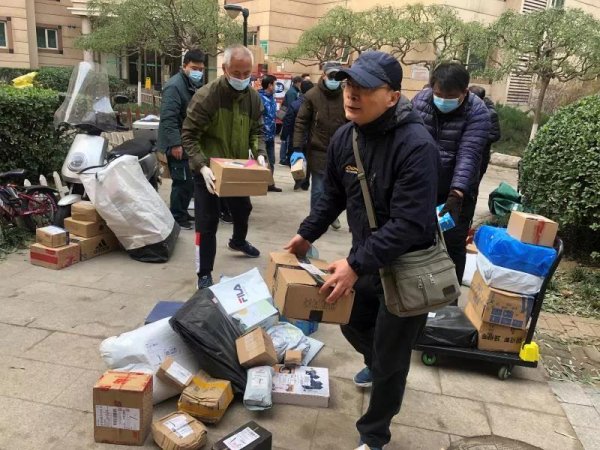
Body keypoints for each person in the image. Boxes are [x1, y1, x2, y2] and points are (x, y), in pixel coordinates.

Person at [285, 51, 439, 450]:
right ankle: (384, 366)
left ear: (392, 97)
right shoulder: (346, 137)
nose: (352, 94)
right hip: (367, 258)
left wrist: (354, 264)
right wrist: (306, 235)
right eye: (349, 85)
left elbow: (409, 224)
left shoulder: (416, 145)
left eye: (365, 88)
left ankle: (374, 435)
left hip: (408, 266)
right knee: (348, 316)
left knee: (391, 352)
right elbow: (333, 196)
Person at [181, 45, 268, 289]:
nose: (242, 78)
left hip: (236, 168)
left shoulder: (253, 98)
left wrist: (260, 154)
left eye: (246, 73)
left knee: (243, 209)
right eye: (236, 73)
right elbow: (189, 135)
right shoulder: (207, 97)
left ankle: (238, 241)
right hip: (209, 171)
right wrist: (201, 166)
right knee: (206, 223)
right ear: (225, 69)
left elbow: (257, 130)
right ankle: (204, 273)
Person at [412, 62, 491, 283]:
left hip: (456, 194)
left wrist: (457, 193)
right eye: (439, 94)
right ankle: (416, 294)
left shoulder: (477, 112)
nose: (443, 100)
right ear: (432, 88)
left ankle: (447, 299)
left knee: (450, 244)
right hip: (422, 187)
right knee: (415, 240)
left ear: (464, 92)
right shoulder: (420, 102)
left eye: (451, 96)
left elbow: (469, 154)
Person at [292, 61, 346, 229]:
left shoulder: (346, 95)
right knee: (318, 188)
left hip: (340, 151)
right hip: (318, 149)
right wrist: (297, 148)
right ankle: (316, 220)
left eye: (338, 77)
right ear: (323, 75)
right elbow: (301, 122)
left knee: (336, 188)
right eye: (331, 76)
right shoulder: (312, 95)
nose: (334, 80)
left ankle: (332, 215)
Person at [157, 49, 205, 230]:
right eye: (194, 68)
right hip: (177, 143)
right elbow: (168, 118)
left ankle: (182, 211)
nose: (198, 72)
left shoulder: (191, 84)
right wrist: (175, 143)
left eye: (201, 69)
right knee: (182, 181)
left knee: (188, 182)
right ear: (184, 66)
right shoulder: (175, 86)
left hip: (187, 142)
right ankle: (177, 216)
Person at [281, 80, 314, 191]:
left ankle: (298, 179)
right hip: (311, 138)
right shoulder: (315, 104)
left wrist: (284, 135)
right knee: (308, 159)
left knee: (293, 158)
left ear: (301, 89)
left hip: (296, 137)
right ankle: (305, 181)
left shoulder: (295, 104)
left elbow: (288, 121)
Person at [468, 85, 501, 180]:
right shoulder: (468, 108)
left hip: (481, 155)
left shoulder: (490, 113)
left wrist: (476, 137)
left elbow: (495, 134)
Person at [259, 74, 282, 192]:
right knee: (262, 160)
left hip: (271, 135)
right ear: (269, 85)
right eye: (275, 84)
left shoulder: (272, 98)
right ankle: (260, 184)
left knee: (271, 161)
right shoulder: (259, 98)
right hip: (261, 136)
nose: (276, 86)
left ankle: (270, 184)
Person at [278, 75, 303, 165]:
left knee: (286, 139)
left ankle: (283, 158)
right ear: (298, 83)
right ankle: (283, 158)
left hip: (288, 118)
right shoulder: (292, 92)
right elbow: (291, 107)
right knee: (285, 139)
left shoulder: (293, 91)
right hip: (289, 119)